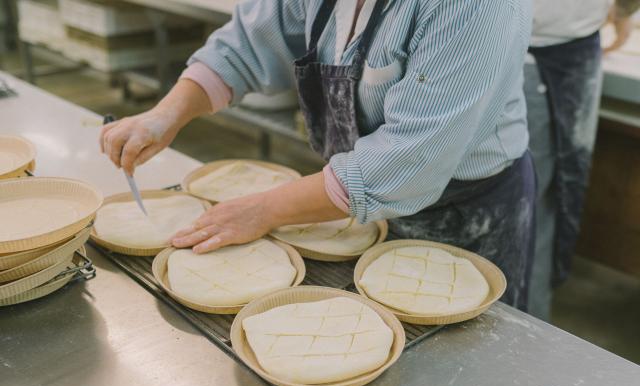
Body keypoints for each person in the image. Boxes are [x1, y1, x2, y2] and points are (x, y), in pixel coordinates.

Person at [100, 0, 535, 310]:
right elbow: (249, 42)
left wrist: (265, 209)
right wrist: (166, 114)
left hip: (464, 210)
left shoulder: (481, 8)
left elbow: (411, 157)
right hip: (347, 195)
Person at [525, 0, 640, 320]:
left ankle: (524, 332)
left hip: (560, 45)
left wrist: (624, 10)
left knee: (532, 205)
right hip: (524, 45)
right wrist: (624, 12)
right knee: (530, 205)